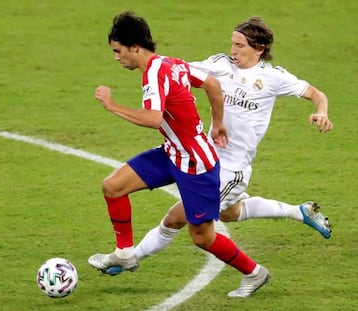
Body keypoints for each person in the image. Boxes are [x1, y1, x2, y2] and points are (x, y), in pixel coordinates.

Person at [102, 16, 334, 296]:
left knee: (180, 218)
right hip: (206, 152)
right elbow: (188, 74)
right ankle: (299, 212)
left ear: (258, 48)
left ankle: (131, 257)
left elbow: (316, 94)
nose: (233, 50)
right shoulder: (221, 64)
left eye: (239, 45)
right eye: (232, 44)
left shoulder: (274, 78)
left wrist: (321, 112)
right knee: (230, 212)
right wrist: (217, 120)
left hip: (231, 168)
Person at [88, 11, 271, 298]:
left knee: (202, 237)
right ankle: (124, 252)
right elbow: (211, 83)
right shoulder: (169, 63)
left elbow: (152, 118)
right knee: (112, 186)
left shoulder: (154, 74)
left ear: (134, 47)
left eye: (117, 51)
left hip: (195, 165)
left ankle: (254, 272)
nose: (116, 57)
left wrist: (112, 106)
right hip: (173, 153)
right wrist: (218, 121)